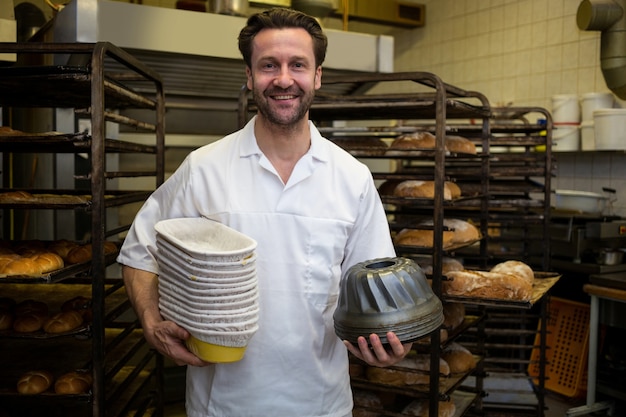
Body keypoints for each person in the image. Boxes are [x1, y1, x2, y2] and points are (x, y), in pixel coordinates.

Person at [117, 7, 412, 417]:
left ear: (318, 76)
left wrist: (391, 340)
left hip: (321, 406)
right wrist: (150, 320)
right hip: (220, 406)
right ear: (249, 76)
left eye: (298, 65)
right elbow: (140, 252)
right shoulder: (204, 168)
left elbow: (377, 291)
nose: (284, 79)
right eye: (268, 65)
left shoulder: (353, 179)